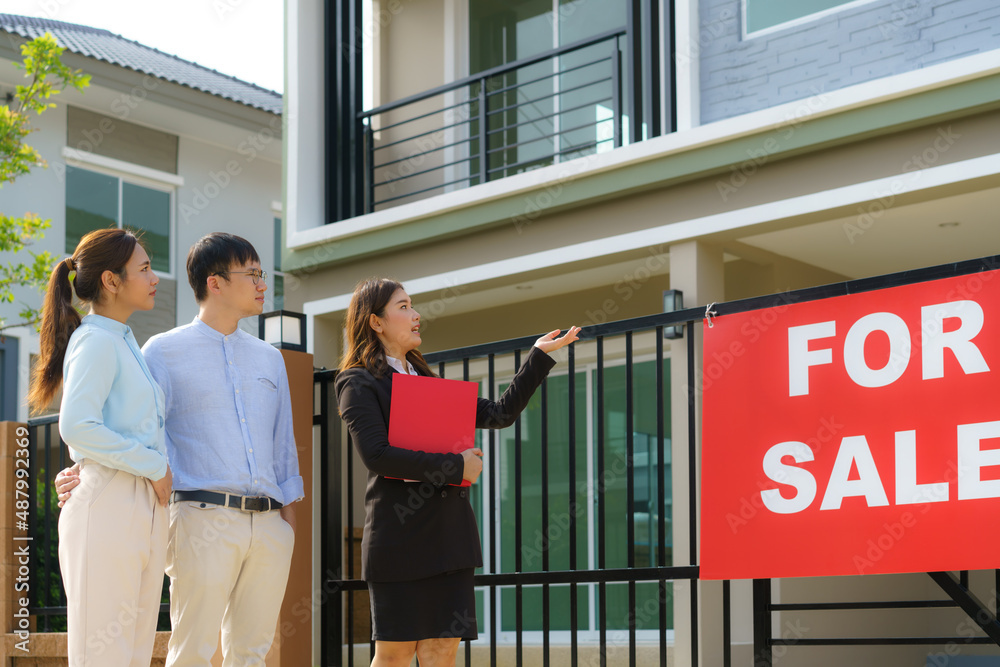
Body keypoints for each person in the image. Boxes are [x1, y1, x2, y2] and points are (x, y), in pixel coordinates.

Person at [56, 232, 303, 666]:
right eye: (253, 274)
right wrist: (79, 468)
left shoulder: (269, 359)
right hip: (198, 518)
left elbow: (282, 442)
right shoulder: (158, 352)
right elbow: (103, 421)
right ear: (216, 282)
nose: (264, 284)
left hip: (265, 524)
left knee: (250, 654)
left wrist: (287, 521)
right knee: (186, 651)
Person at [335, 277, 580, 667]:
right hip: (398, 540)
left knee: (441, 651)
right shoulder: (358, 382)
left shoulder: (428, 383)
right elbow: (378, 456)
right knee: (396, 655)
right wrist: (456, 468)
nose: (416, 315)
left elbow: (500, 413)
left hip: (449, 539)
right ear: (376, 322)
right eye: (403, 307)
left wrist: (538, 356)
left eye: (412, 305)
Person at [29, 228, 171, 667]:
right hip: (111, 501)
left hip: (139, 504)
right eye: (144, 268)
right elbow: (77, 425)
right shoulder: (95, 341)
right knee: (103, 655)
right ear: (112, 280)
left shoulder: (122, 342)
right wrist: (155, 466)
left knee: (131, 653)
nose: (155, 278)